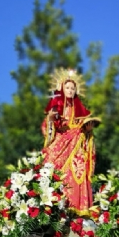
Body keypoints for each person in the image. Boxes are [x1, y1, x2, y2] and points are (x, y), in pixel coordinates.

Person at [42, 68, 100, 212]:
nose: (70, 90)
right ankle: (55, 208)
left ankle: (76, 210)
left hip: (76, 151)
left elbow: (86, 134)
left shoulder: (80, 113)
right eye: (67, 87)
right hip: (59, 146)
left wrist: (87, 130)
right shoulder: (56, 108)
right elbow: (48, 132)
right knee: (54, 173)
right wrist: (50, 119)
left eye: (73, 88)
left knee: (76, 175)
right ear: (61, 88)